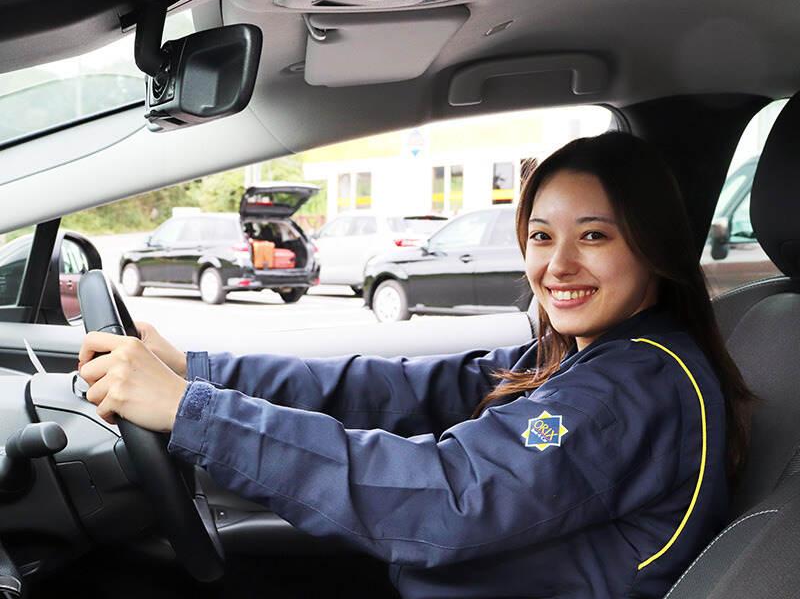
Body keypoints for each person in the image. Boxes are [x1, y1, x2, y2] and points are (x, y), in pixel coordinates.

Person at [78, 132, 754, 598]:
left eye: (595, 236)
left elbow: (449, 497)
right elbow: (398, 389)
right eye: (542, 236)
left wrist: (191, 414)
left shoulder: (627, 391)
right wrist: (198, 372)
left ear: (651, 246)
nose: (558, 265)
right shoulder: (580, 358)